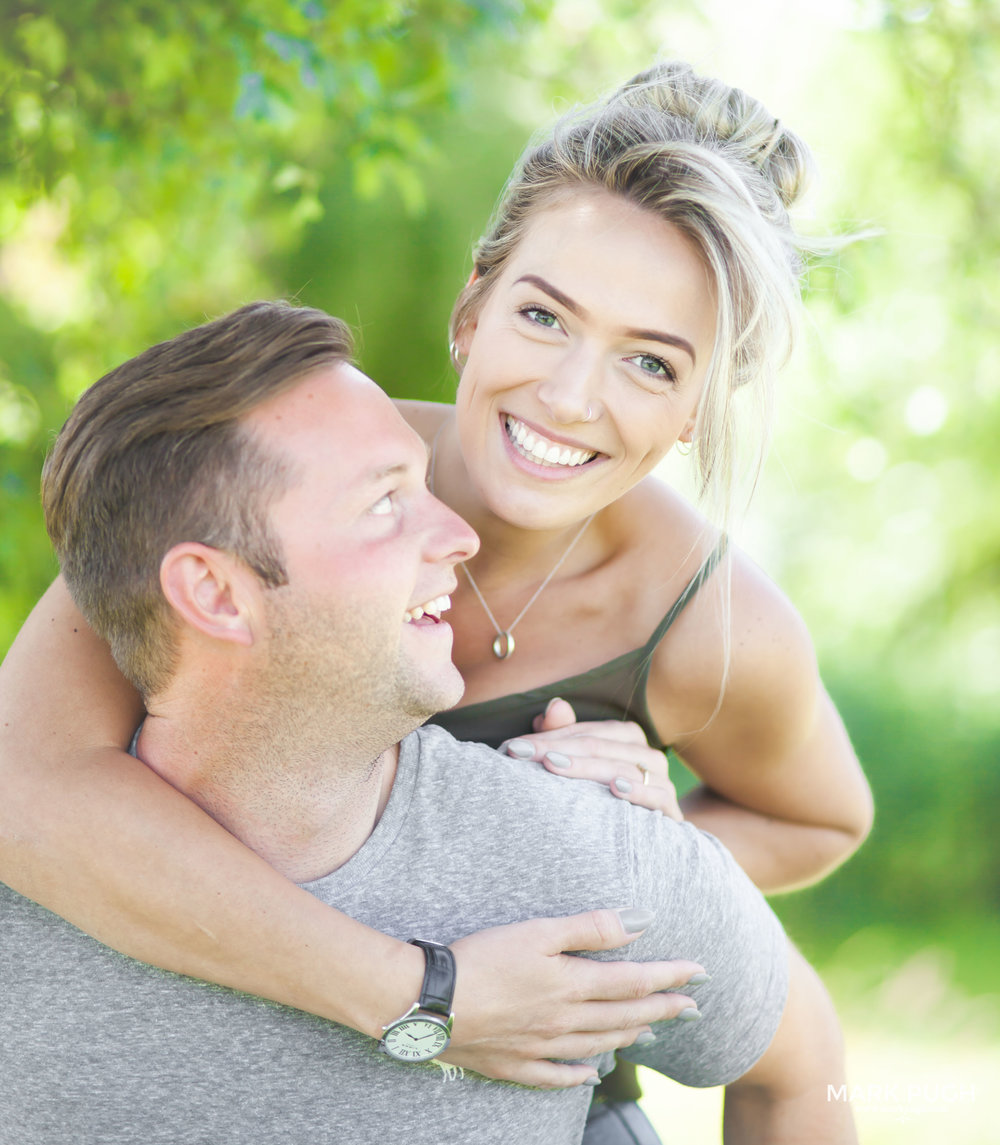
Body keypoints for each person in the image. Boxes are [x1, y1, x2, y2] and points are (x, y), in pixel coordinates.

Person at [0, 61, 871, 1139]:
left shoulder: (701, 620)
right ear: (471, 307)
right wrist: (416, 995)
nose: (569, 395)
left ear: (695, 408)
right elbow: (22, 786)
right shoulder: (254, 485)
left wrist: (658, 846)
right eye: (545, 317)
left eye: (650, 363)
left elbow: (822, 820)